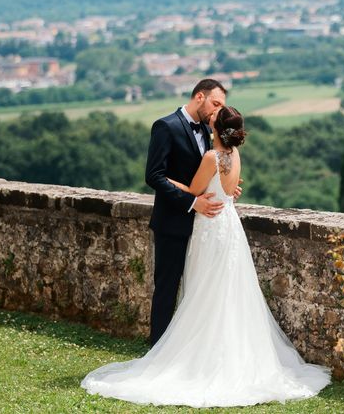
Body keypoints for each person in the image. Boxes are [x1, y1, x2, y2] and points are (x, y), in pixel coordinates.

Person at [82, 106, 331, 407]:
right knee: (227, 292)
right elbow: (228, 189)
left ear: (217, 128)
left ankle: (203, 359)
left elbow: (194, 189)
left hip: (210, 227)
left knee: (203, 288)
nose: (210, 118)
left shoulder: (212, 157)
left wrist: (170, 182)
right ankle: (227, 356)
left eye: (214, 118)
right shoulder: (235, 154)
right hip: (229, 224)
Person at [142, 78, 231, 346]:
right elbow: (154, 176)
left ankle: (186, 348)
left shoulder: (208, 129)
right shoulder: (165, 126)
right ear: (199, 96)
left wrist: (224, 188)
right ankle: (157, 348)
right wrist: (193, 202)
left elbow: (204, 173)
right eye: (215, 104)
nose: (217, 112)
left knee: (198, 289)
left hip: (205, 225)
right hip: (172, 222)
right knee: (167, 289)